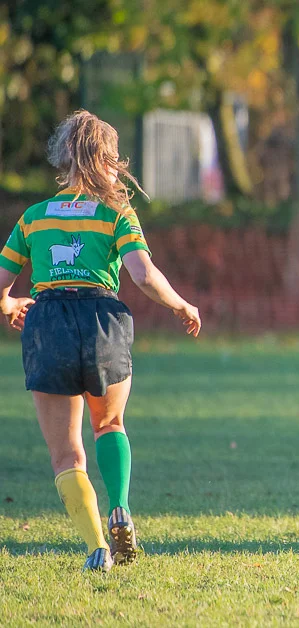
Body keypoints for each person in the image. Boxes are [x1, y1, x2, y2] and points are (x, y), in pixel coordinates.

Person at [0, 110, 202, 572]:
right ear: (108, 160)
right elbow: (143, 274)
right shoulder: (116, 213)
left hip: (48, 322)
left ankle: (96, 547)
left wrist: (11, 307)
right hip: (101, 319)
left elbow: (1, 288)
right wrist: (181, 306)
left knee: (66, 452)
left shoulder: (33, 218)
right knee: (109, 424)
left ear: (64, 157)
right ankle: (122, 508)